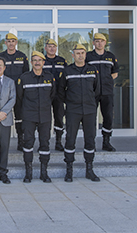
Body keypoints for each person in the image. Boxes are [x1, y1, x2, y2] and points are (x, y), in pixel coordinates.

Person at [58, 44, 101, 182]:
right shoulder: (67, 71)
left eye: (82, 52)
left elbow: (97, 90)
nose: (80, 55)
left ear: (85, 54)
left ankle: (89, 169)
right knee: (70, 139)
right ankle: (69, 170)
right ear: (73, 55)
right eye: (77, 53)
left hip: (89, 110)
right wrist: (70, 102)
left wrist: (90, 102)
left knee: (90, 139)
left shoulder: (92, 70)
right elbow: (60, 91)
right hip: (73, 110)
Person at [17, 51, 56, 183]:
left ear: (43, 62)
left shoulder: (50, 77)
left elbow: (52, 95)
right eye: (35, 60)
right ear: (31, 63)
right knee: (28, 143)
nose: (37, 62)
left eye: (40, 60)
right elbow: (20, 97)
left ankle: (44, 172)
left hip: (45, 115)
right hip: (29, 115)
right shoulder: (24, 78)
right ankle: (28, 173)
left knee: (45, 143)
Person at [86, 33, 119, 152]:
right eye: (97, 41)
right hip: (92, 92)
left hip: (107, 92)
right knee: (90, 118)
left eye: (102, 41)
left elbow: (115, 72)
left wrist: (107, 81)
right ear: (93, 43)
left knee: (108, 117)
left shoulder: (110, 56)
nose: (99, 43)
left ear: (105, 43)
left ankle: (106, 142)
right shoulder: (88, 56)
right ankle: (91, 143)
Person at [0, 33, 29, 151]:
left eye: (13, 41)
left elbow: (26, 74)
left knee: (20, 117)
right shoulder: (0, 57)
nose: (11, 43)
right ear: (5, 43)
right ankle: (1, 142)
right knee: (1, 116)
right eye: (8, 41)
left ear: (16, 43)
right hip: (3, 92)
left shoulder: (22, 56)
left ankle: (21, 141)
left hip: (19, 92)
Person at [42, 39, 68, 151]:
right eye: (49, 46)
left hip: (59, 95)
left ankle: (58, 142)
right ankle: (44, 143)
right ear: (45, 48)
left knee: (59, 118)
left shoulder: (62, 61)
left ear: (56, 48)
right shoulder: (41, 61)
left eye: (54, 46)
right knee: (44, 119)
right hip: (45, 95)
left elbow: (67, 77)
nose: (52, 48)